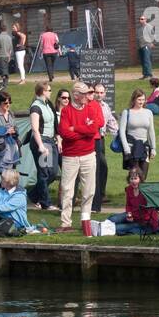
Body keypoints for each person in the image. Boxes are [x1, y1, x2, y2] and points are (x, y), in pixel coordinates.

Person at [57, 82, 104, 235]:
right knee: (67, 190)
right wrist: (83, 130)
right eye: (84, 94)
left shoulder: (91, 108)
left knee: (89, 190)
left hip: (88, 155)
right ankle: (65, 223)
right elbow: (65, 133)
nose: (87, 96)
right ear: (75, 95)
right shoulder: (66, 111)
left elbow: (93, 129)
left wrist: (75, 128)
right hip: (70, 156)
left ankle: (86, 222)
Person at [28, 84, 58, 211]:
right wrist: (40, 145)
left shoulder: (48, 104)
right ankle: (46, 203)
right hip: (42, 140)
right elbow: (35, 128)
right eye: (49, 90)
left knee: (53, 172)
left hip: (50, 140)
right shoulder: (35, 107)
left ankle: (33, 195)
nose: (51, 92)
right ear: (43, 91)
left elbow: (54, 122)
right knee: (44, 173)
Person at [90, 82, 117, 214]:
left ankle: (100, 194)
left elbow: (111, 122)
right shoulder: (89, 105)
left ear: (105, 93)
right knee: (97, 167)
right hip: (91, 139)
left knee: (103, 167)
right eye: (97, 92)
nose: (99, 95)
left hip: (101, 139)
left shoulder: (105, 106)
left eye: (102, 92)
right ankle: (94, 197)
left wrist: (119, 135)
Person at [119, 88, 157, 180]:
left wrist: (153, 148)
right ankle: (132, 194)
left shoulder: (148, 113)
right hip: (131, 147)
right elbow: (122, 132)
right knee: (134, 176)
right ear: (134, 99)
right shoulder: (127, 112)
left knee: (143, 176)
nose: (141, 102)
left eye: (143, 99)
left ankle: (141, 194)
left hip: (144, 147)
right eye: (139, 99)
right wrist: (126, 148)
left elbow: (151, 131)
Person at [110, 167, 159, 235]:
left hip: (143, 221)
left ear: (140, 179)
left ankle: (102, 229)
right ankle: (98, 226)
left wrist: (134, 217)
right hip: (132, 216)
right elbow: (128, 205)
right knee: (113, 219)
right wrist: (129, 214)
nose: (133, 181)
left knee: (117, 228)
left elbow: (149, 211)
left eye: (136, 178)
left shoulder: (146, 191)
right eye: (131, 178)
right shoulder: (129, 189)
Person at [0, 91, 21, 174]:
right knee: (4, 174)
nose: (8, 104)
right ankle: (3, 187)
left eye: (9, 102)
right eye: (6, 103)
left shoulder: (11, 114)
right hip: (1, 149)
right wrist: (5, 131)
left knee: (12, 174)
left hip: (13, 147)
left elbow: (16, 128)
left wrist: (15, 131)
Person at [137, 14, 156, 78]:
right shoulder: (139, 29)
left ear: (145, 20)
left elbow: (153, 35)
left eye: (142, 19)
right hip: (141, 46)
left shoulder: (148, 27)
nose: (140, 20)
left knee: (146, 60)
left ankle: (149, 74)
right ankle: (145, 74)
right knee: (143, 61)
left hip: (146, 45)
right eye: (140, 19)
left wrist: (151, 43)